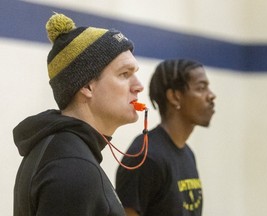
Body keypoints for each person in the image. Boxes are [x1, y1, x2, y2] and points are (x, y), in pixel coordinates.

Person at [13, 13, 144, 216]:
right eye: (124, 74)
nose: (139, 86)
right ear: (87, 86)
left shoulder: (63, 152)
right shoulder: (72, 167)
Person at [116, 59, 216, 216]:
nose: (211, 96)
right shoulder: (144, 157)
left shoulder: (187, 153)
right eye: (201, 88)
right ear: (174, 96)